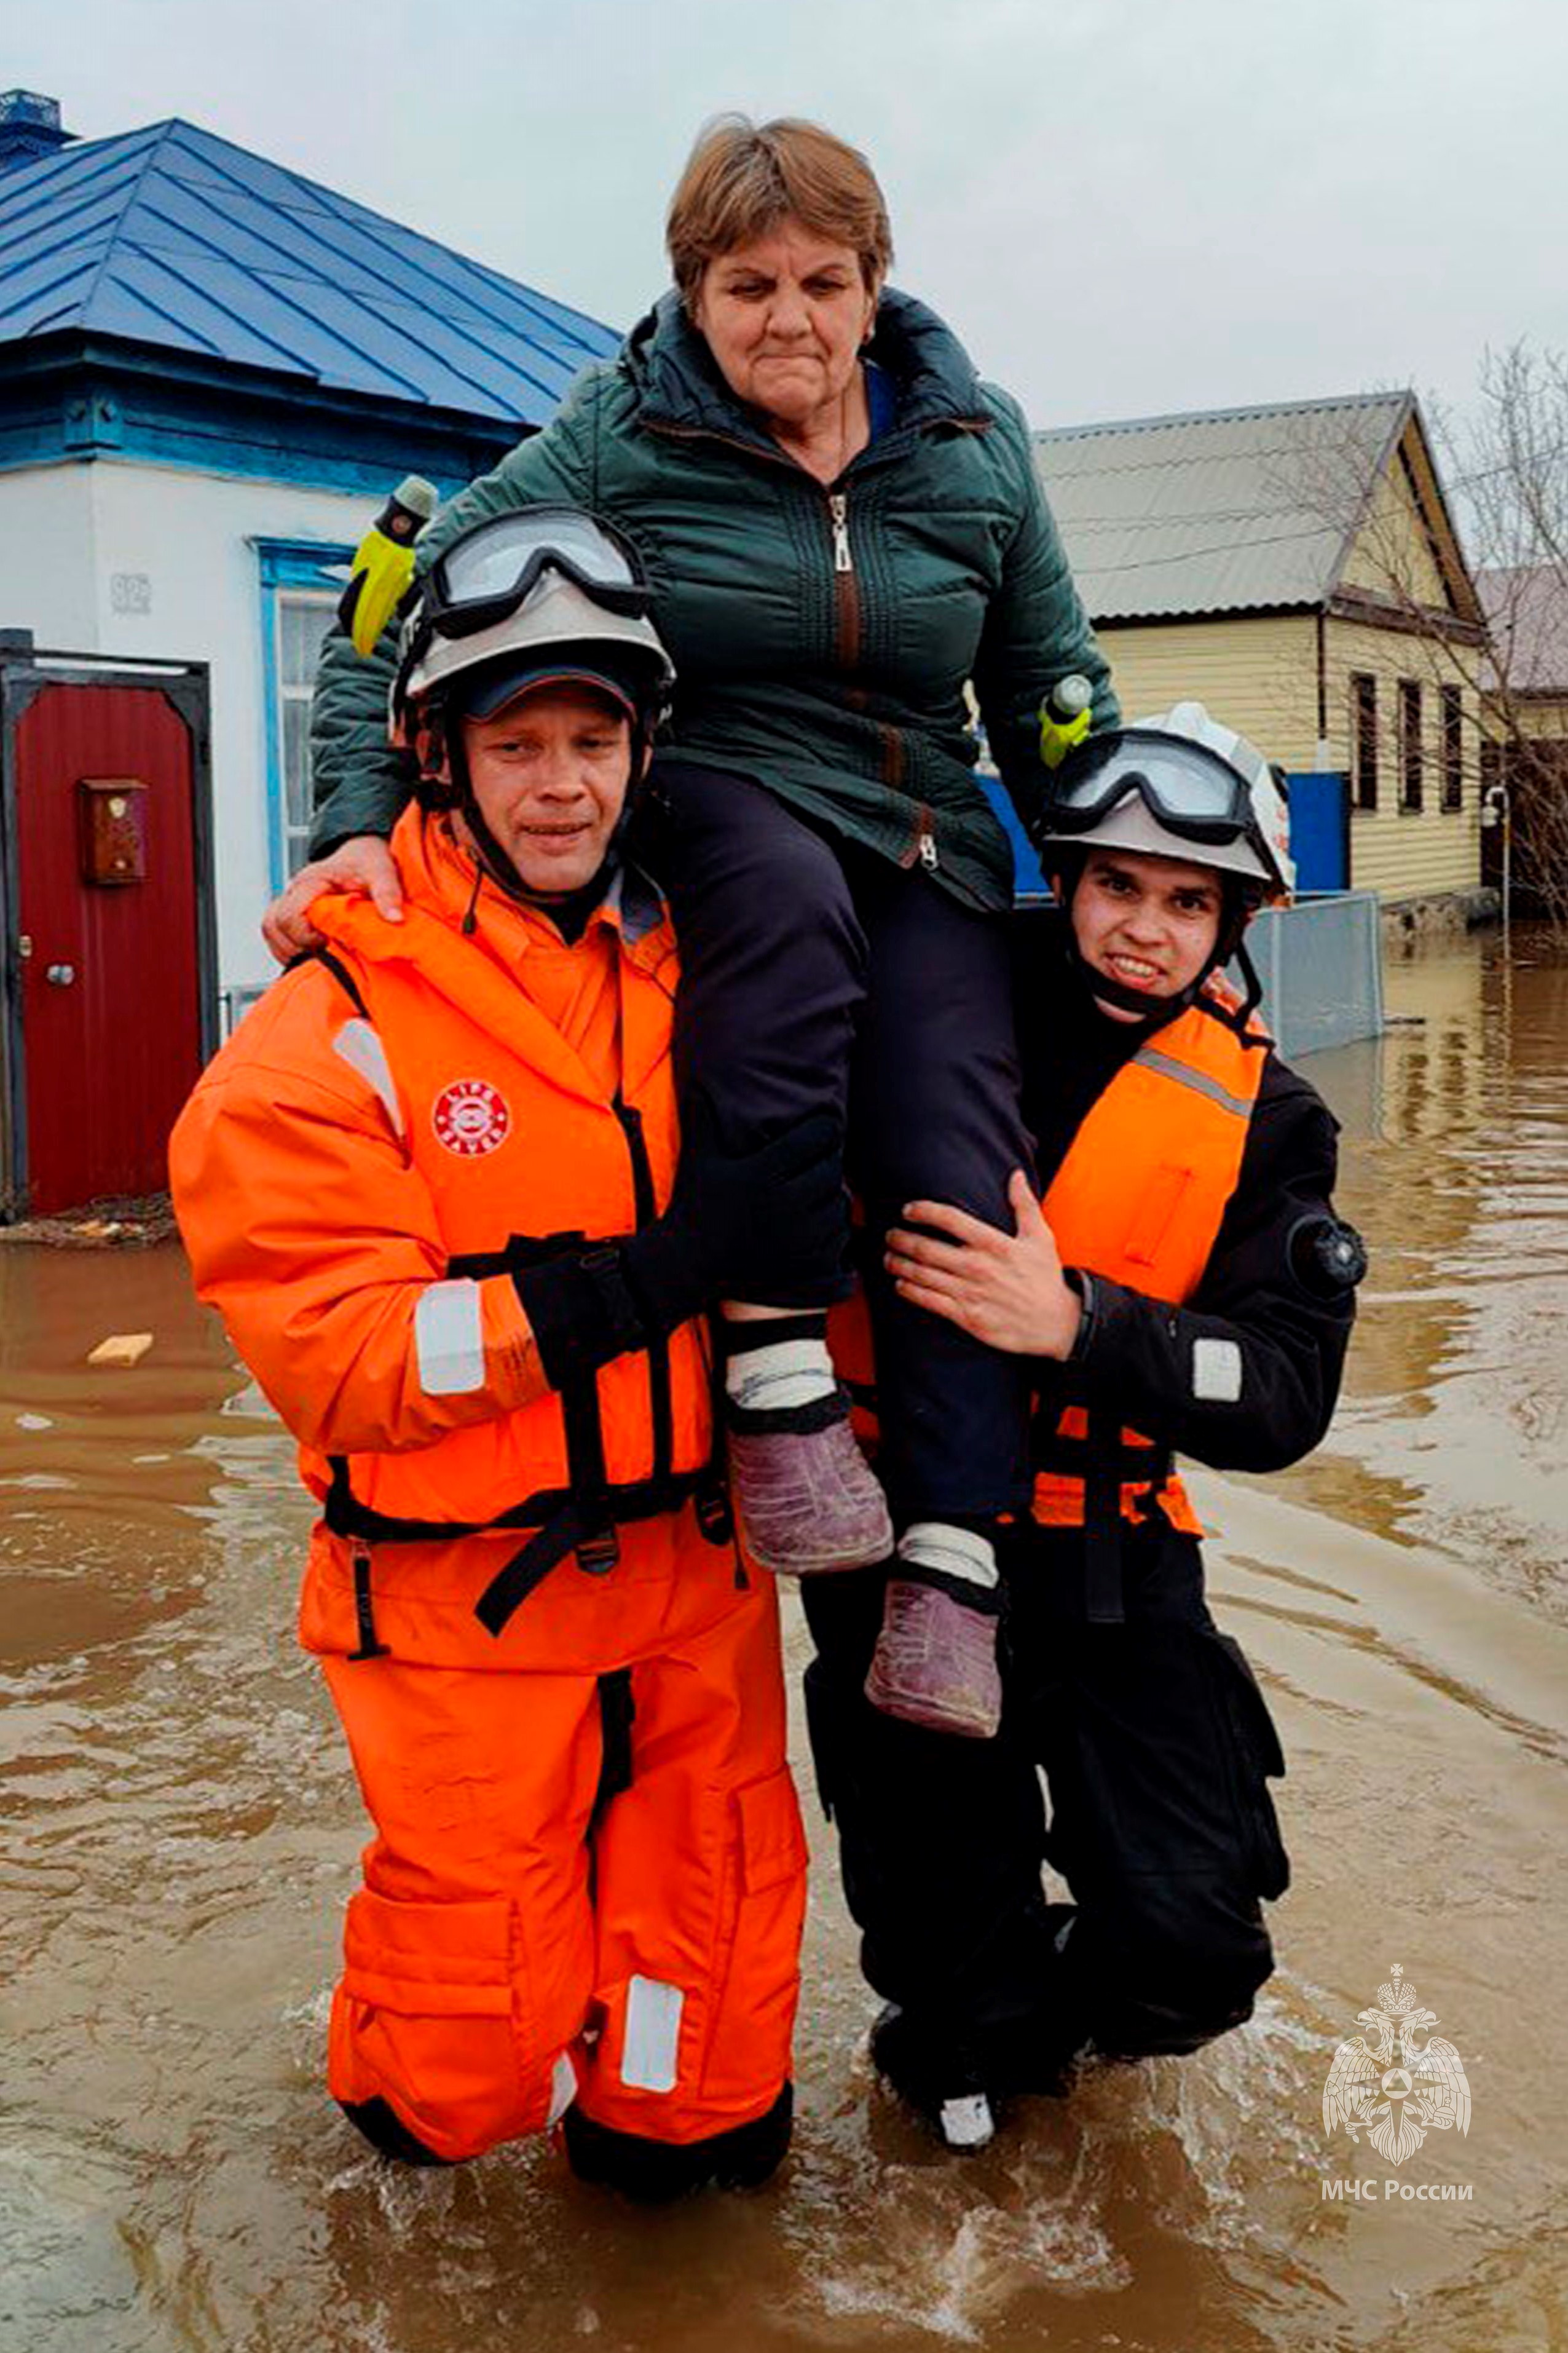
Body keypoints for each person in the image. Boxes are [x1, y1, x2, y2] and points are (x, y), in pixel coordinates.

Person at [263, 113, 1119, 1741]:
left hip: (922, 821)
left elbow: (1048, 681)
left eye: (819, 281)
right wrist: (353, 825)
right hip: (720, 791)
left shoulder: (977, 444)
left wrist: (1106, 855)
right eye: (746, 286)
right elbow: (409, 610)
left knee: (955, 1128)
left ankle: (949, 1551)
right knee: (787, 930)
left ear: (876, 289)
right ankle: (781, 1372)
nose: (785, 319)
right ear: (692, 296)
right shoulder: (619, 427)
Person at [170, 515, 841, 2198]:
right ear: (438, 759)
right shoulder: (329, 1028)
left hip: (694, 1610)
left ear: (642, 751)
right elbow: (342, 1359)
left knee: (702, 2090)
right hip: (472, 1618)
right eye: (517, 742)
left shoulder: (707, 970)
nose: (562, 784)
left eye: (595, 739)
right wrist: (653, 1274)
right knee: (454, 2090)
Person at [800, 705, 1366, 2150]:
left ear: (1235, 919)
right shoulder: (935, 1021)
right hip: (908, 1555)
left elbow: (1286, 1391)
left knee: (1195, 1961)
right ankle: (967, 2062)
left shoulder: (1271, 1117)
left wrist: (1080, 1325)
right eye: (1115, 884)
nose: (1142, 930)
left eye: (1188, 902)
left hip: (1115, 1567)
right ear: (1064, 877)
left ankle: (1041, 2034)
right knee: (959, 2025)